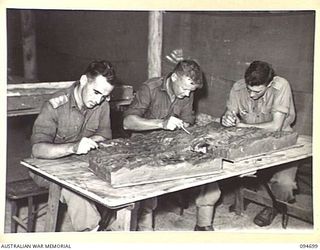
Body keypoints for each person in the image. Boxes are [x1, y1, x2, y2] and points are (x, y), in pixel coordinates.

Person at [123, 59, 220, 231]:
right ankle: (145, 229)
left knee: (209, 170)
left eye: (191, 91)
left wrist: (188, 132)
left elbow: (187, 122)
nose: (186, 95)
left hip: (171, 143)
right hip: (144, 145)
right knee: (148, 188)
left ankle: (203, 224)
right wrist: (161, 123)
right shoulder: (150, 89)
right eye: (184, 89)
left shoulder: (187, 93)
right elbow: (128, 122)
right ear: (174, 77)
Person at [30, 60, 115, 231]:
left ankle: (114, 226)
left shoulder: (102, 103)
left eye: (104, 96)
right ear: (84, 80)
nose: (98, 100)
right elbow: (37, 149)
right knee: (75, 189)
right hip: (47, 167)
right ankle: (91, 233)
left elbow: (105, 136)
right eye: (96, 92)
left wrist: (92, 143)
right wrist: (73, 148)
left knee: (118, 182)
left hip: (81, 164)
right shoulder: (55, 105)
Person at [221, 60, 296, 227]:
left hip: (280, 142)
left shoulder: (281, 85)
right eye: (249, 90)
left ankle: (273, 206)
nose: (252, 95)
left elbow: (276, 127)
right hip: (251, 141)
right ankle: (244, 197)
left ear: (269, 85)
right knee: (232, 166)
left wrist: (243, 125)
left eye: (257, 92)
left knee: (285, 184)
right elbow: (229, 113)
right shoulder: (239, 87)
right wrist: (226, 118)